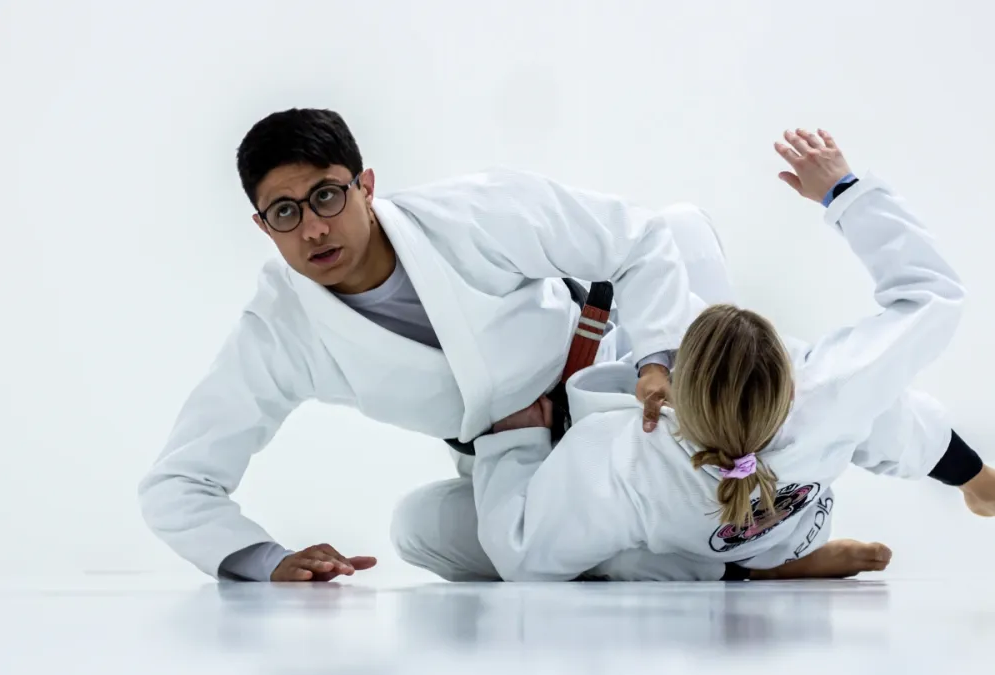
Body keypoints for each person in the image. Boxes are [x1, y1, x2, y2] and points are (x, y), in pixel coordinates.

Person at [138, 107, 731, 582]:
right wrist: (266, 561)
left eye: (326, 196)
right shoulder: (279, 329)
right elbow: (177, 483)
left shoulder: (471, 213)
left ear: (366, 187)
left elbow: (639, 239)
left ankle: (721, 496)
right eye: (285, 212)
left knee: (681, 230)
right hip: (520, 461)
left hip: (621, 381)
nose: (314, 229)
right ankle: (712, 548)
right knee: (417, 529)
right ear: (263, 227)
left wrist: (656, 361)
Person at [468, 128, 995, 582]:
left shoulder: (628, 458)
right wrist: (843, 191)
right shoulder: (823, 395)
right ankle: (969, 485)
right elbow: (935, 298)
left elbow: (523, 557)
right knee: (864, 400)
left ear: (673, 384)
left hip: (690, 541)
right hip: (795, 531)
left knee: (433, 528)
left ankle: (742, 569)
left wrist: (514, 442)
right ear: (791, 383)